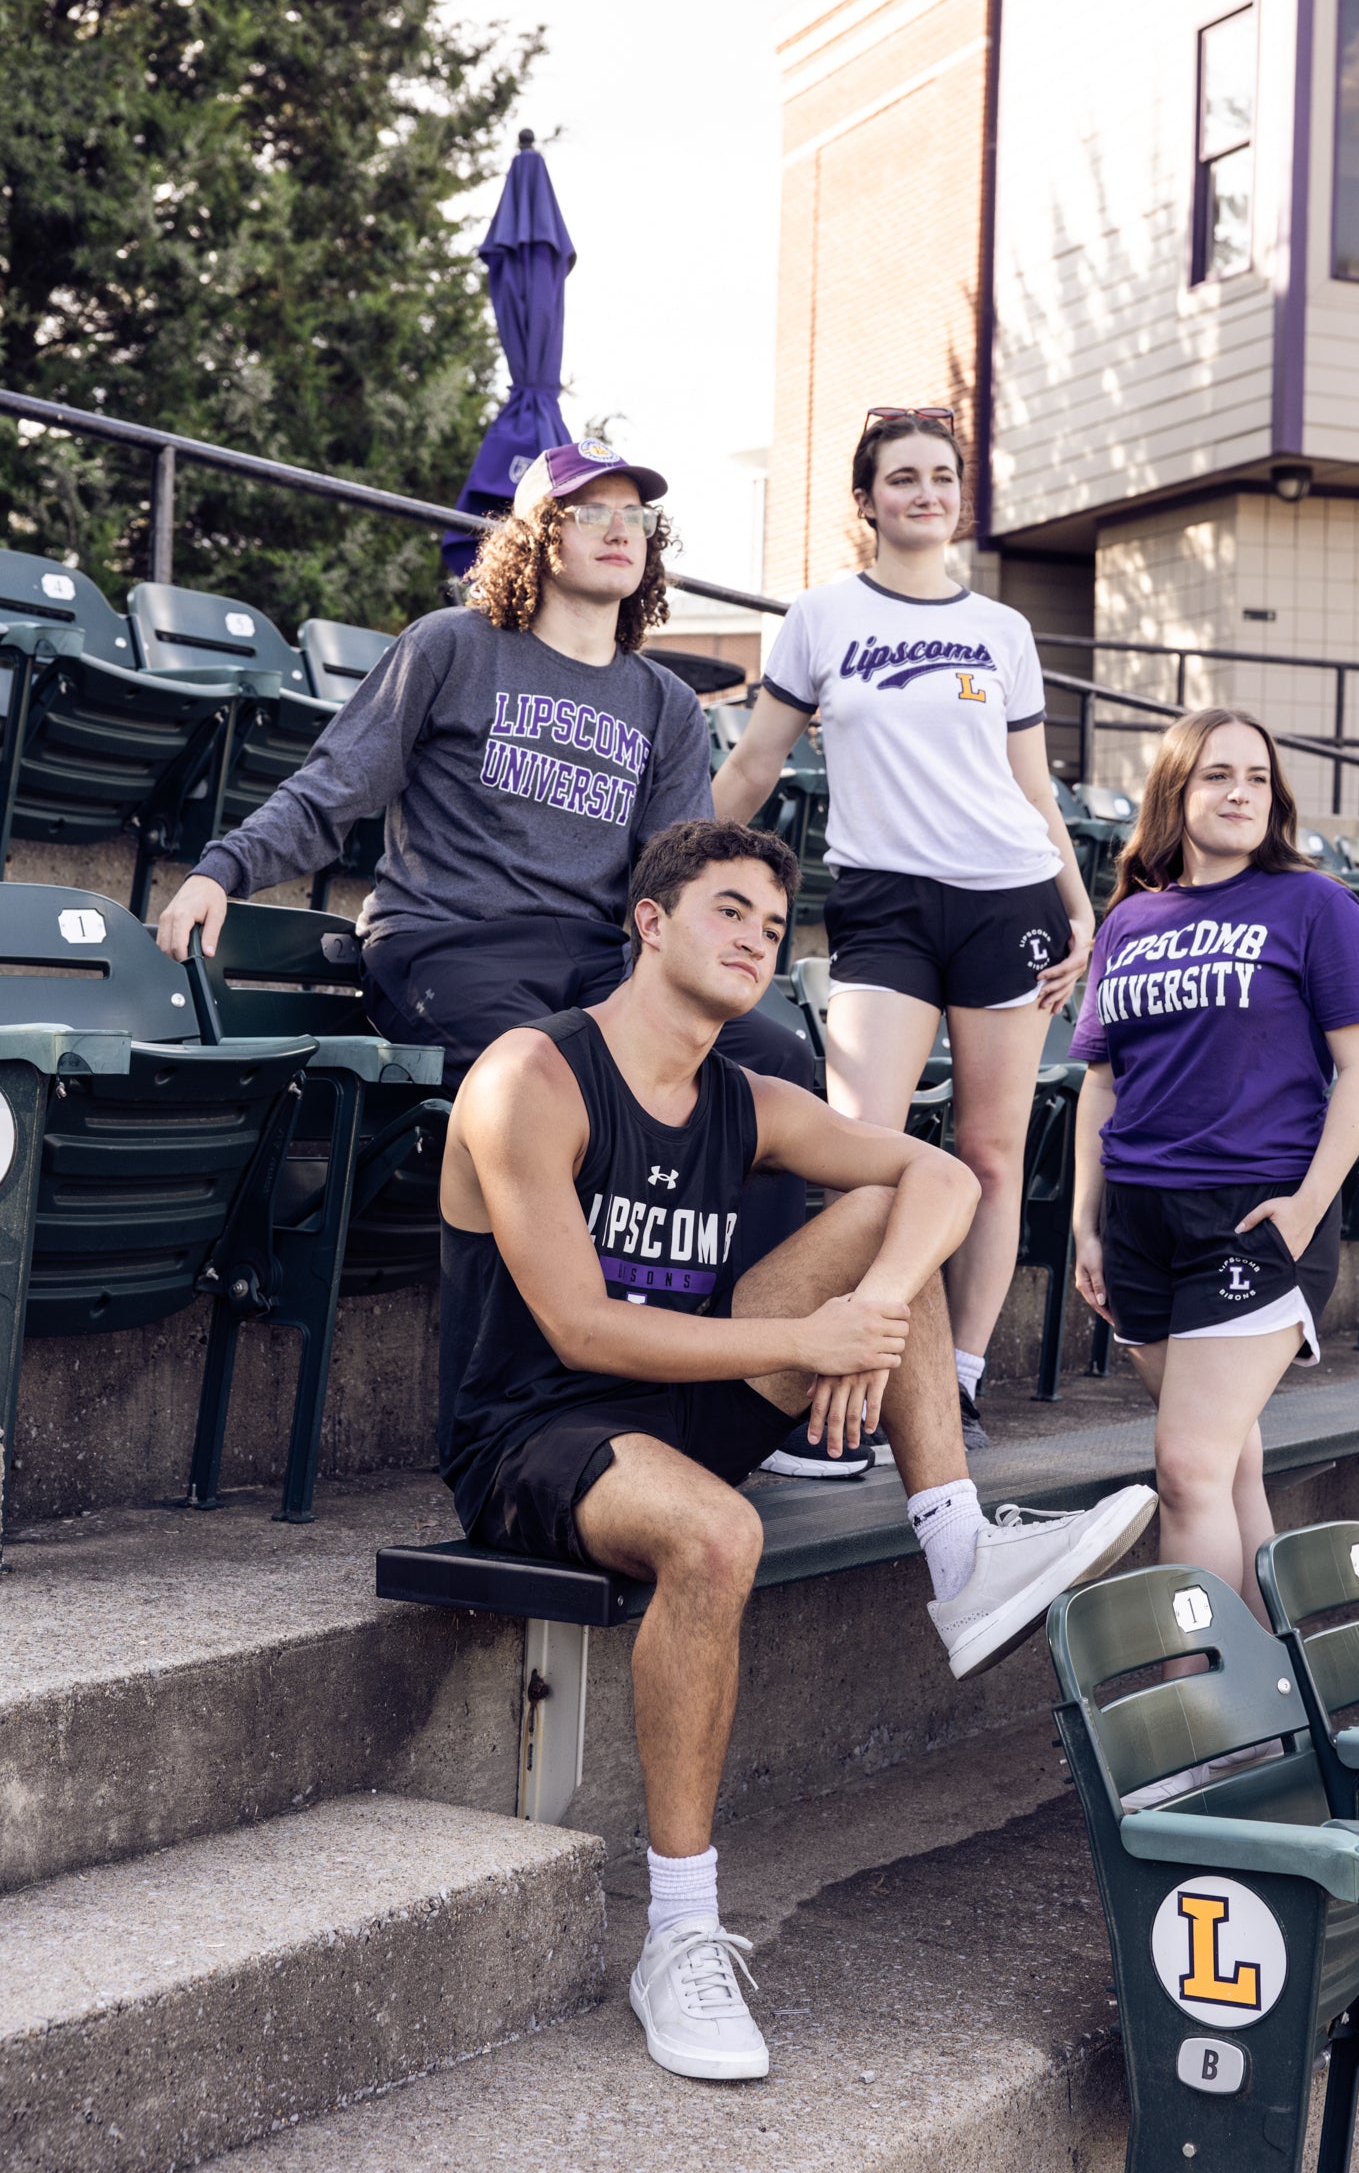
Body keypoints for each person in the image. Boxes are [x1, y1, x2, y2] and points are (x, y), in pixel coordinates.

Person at [442, 815, 1155, 2083]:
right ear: (650, 921)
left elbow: (946, 1180)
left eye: (773, 928)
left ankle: (960, 1553)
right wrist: (817, 1340)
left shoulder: (746, 1097)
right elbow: (579, 1327)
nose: (754, 941)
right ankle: (679, 1935)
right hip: (536, 1431)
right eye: (728, 911)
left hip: (685, 1401)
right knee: (721, 1534)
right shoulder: (531, 1078)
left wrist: (869, 1318)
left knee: (892, 1220)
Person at [153, 439, 814, 1256]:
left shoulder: (667, 704)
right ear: (538, 534)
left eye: (636, 516)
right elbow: (334, 787)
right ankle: (586, 1317)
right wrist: (222, 870)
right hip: (450, 946)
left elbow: (673, 880)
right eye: (591, 512)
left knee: (777, 1065)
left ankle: (748, 1315)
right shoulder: (451, 646)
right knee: (561, 1083)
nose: (621, 530)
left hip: (598, 965)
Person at [711, 408, 1095, 1459]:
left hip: (1009, 898)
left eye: (941, 476)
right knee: (861, 1152)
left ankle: (954, 1378)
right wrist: (676, 870)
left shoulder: (1004, 631)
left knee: (989, 1152)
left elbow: (1032, 788)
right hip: (883, 903)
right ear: (866, 500)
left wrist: (1079, 905)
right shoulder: (821, 616)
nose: (925, 493)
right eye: (902, 478)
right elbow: (753, 763)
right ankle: (842, 1379)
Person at [1069, 707, 1359, 1641]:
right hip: (1139, 1221)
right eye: (1216, 775)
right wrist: (1087, 1222)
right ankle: (1276, 1679)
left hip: (1251, 1217)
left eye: (1257, 777)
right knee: (1230, 1467)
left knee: (1187, 1470)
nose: (1240, 792)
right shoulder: (1130, 921)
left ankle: (1198, 1708)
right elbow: (1101, 1082)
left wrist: (1306, 1208)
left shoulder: (1315, 906)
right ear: (1175, 792)